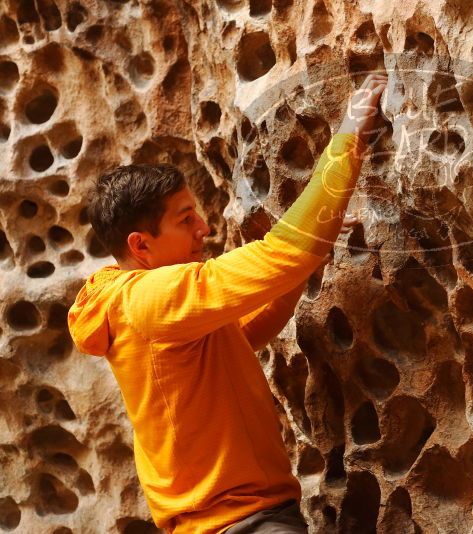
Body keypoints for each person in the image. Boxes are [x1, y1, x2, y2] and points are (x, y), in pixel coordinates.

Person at [67, 73, 389, 533]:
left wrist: (312, 251)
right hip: (240, 523)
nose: (204, 229)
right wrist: (349, 134)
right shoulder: (150, 297)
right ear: (141, 246)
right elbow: (277, 254)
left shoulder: (133, 304)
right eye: (185, 220)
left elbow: (245, 332)